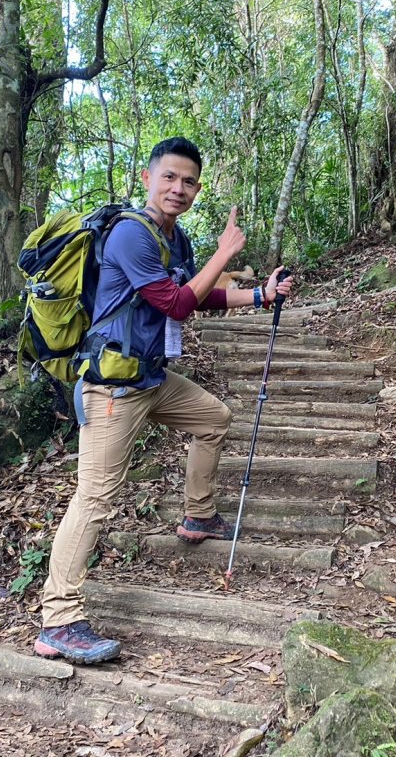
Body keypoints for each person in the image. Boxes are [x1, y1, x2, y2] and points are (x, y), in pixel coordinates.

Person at [35, 137, 294, 664]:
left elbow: (200, 297)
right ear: (149, 178)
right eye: (169, 177)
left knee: (214, 417)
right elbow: (175, 306)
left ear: (198, 187)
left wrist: (261, 295)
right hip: (113, 387)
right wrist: (226, 252)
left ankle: (198, 516)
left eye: (189, 181)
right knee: (96, 498)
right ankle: (58, 620)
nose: (179, 188)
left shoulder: (176, 241)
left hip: (151, 378)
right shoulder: (131, 235)